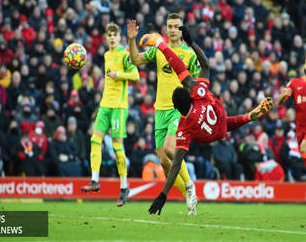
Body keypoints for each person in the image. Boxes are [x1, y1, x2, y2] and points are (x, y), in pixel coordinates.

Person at [140, 26, 273, 215]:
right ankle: (248, 116)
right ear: (188, 94)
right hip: (218, 117)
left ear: (177, 109)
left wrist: (163, 194)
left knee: (174, 152)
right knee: (220, 122)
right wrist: (191, 43)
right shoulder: (198, 92)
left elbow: (177, 164)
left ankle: (247, 117)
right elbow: (205, 65)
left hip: (215, 130)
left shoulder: (184, 128)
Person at [127, 14, 200, 213]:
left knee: (170, 149)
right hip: (159, 110)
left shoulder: (189, 54)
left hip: (178, 109)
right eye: (170, 26)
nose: (173, 29)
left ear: (182, 29)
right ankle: (189, 196)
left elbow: (199, 81)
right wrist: (132, 39)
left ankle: (190, 186)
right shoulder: (160, 50)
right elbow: (135, 59)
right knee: (164, 161)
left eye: (177, 26)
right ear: (166, 28)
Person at [80, 22, 139, 207]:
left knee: (116, 147)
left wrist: (119, 74)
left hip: (119, 107)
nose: (112, 38)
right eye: (109, 35)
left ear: (120, 37)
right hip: (104, 106)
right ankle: (95, 181)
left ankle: (124, 187)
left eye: (115, 35)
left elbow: (136, 75)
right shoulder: (106, 55)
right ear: (106, 38)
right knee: (94, 140)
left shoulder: (124, 54)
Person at [278, 60, 306, 167]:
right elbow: (280, 101)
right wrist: (284, 96)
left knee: (304, 147)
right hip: (300, 128)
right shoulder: (294, 82)